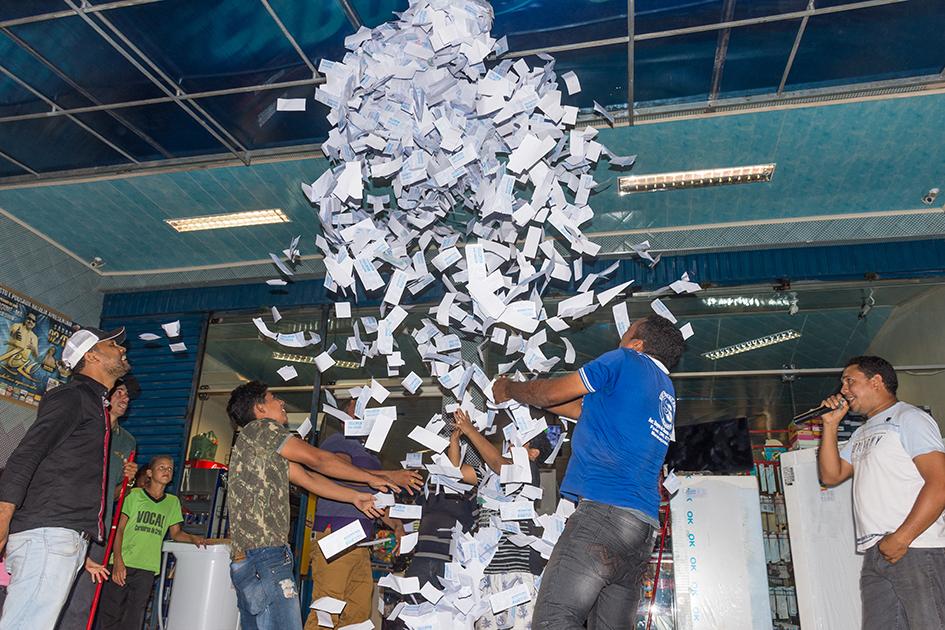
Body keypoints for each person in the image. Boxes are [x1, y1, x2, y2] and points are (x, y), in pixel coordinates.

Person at [492, 314, 684, 629]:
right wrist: (533, 392)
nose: (620, 338)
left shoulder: (625, 360)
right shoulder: (664, 389)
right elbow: (578, 408)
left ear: (637, 345)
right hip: (641, 533)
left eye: (627, 332)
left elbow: (551, 394)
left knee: (554, 620)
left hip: (604, 518)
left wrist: (510, 388)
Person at [226, 381, 423, 630]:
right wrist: (377, 478)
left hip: (261, 556)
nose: (281, 402)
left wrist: (354, 496)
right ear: (260, 408)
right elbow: (319, 461)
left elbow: (308, 478)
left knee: (354, 615)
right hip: (265, 555)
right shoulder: (261, 429)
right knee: (319, 617)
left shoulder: (261, 447)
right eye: (273, 397)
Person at [0, 326, 129, 629]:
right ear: (92, 355)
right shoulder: (73, 397)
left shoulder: (95, 404)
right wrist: (3, 517)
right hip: (49, 535)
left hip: (60, 535)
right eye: (113, 344)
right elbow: (26, 454)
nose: (122, 349)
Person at [817, 355, 945, 629]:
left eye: (850, 381)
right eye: (843, 383)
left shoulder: (909, 418)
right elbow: (831, 474)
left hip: (915, 547)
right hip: (876, 552)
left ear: (876, 382)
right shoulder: (862, 432)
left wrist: (902, 537)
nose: (843, 390)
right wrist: (829, 425)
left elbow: (940, 482)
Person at [304, 400, 409, 630]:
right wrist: (388, 475)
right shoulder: (338, 441)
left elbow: (378, 501)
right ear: (343, 417)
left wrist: (398, 526)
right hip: (336, 534)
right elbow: (337, 470)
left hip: (361, 542)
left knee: (358, 615)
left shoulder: (371, 456)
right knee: (327, 610)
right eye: (356, 408)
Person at [451, 409, 554, 630]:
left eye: (522, 439)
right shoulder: (489, 472)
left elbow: (499, 463)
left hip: (518, 566)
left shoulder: (528, 468)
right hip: (488, 569)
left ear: (533, 453)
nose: (512, 438)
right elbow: (454, 473)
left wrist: (470, 430)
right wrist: (455, 439)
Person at [57, 375, 140, 629]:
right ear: (105, 396)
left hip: (99, 528)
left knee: (84, 597)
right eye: (120, 392)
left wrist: (128, 482)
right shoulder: (84, 424)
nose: (125, 398)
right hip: (67, 520)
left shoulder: (127, 441)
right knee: (55, 587)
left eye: (127, 395)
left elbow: (116, 494)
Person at [97, 455, 205, 630]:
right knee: (111, 615)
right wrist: (117, 561)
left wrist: (193, 538)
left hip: (147, 568)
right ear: (149, 472)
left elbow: (176, 533)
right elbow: (119, 529)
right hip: (122, 563)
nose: (166, 471)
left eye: (170, 469)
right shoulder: (134, 495)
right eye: (162, 467)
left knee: (133, 618)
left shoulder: (172, 502)